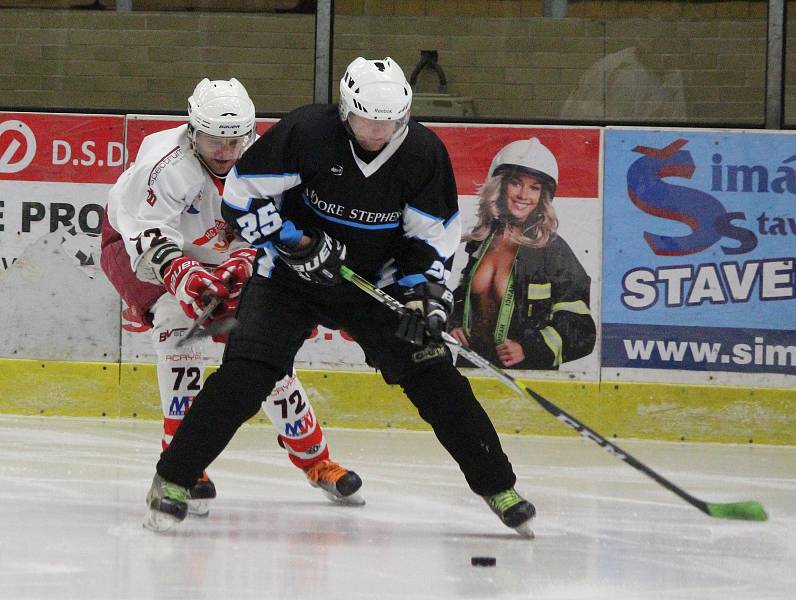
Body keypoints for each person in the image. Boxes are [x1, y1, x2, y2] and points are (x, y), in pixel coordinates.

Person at [142, 57, 536, 537]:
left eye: (389, 120)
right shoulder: (307, 131)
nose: (378, 129)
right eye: (368, 118)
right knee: (247, 375)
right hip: (288, 279)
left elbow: (431, 239)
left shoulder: (422, 153)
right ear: (347, 110)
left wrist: (425, 295)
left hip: (376, 283)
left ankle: (499, 487)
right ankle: (174, 478)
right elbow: (243, 198)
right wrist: (295, 242)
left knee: (435, 378)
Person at [100, 77, 363, 527]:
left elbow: (274, 226)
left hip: (219, 256)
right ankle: (183, 460)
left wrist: (243, 261)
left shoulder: (266, 159)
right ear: (191, 129)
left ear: (249, 133)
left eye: (234, 139)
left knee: (264, 359)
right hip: (139, 251)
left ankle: (316, 459)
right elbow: (146, 235)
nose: (224, 150)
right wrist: (184, 275)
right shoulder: (165, 164)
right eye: (212, 138)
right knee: (178, 338)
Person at [448, 137, 596, 369]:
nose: (523, 195)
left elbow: (582, 329)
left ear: (542, 197)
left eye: (534, 187)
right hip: (470, 368)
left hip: (527, 376)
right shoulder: (481, 242)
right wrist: (454, 325)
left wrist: (530, 348)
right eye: (516, 183)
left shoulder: (553, 250)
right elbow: (466, 300)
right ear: (500, 185)